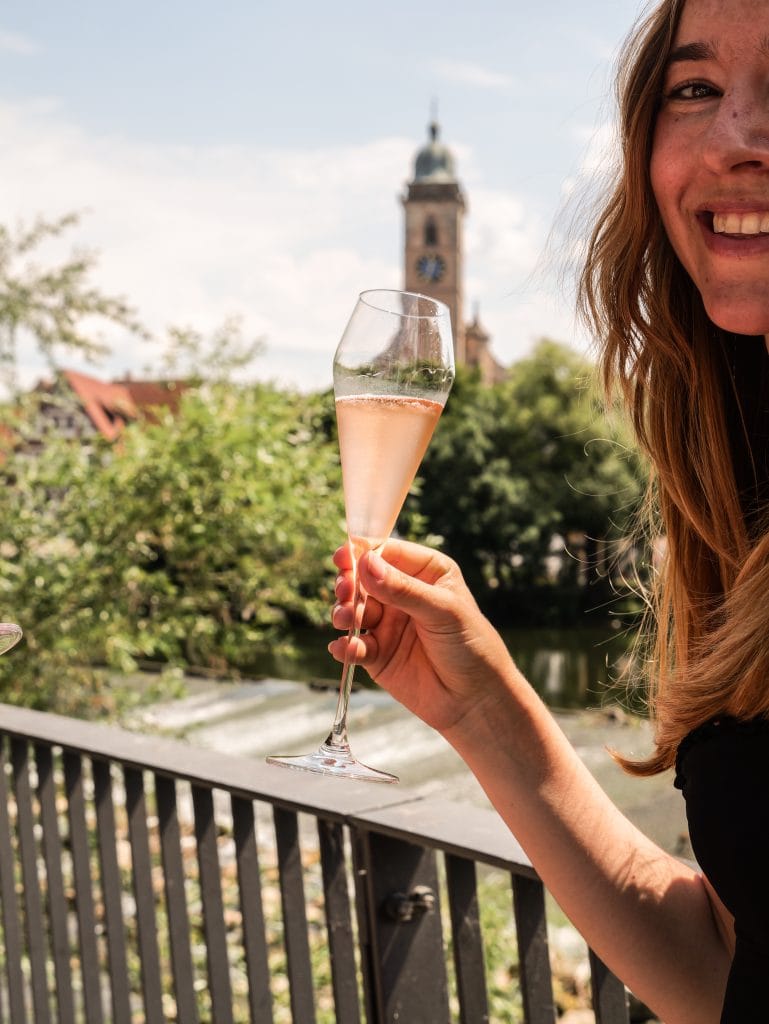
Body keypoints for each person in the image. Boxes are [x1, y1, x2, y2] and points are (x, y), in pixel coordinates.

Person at [330, 0, 769, 1020]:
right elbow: (727, 963)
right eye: (693, 88)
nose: (734, 136)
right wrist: (481, 704)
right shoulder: (732, 476)